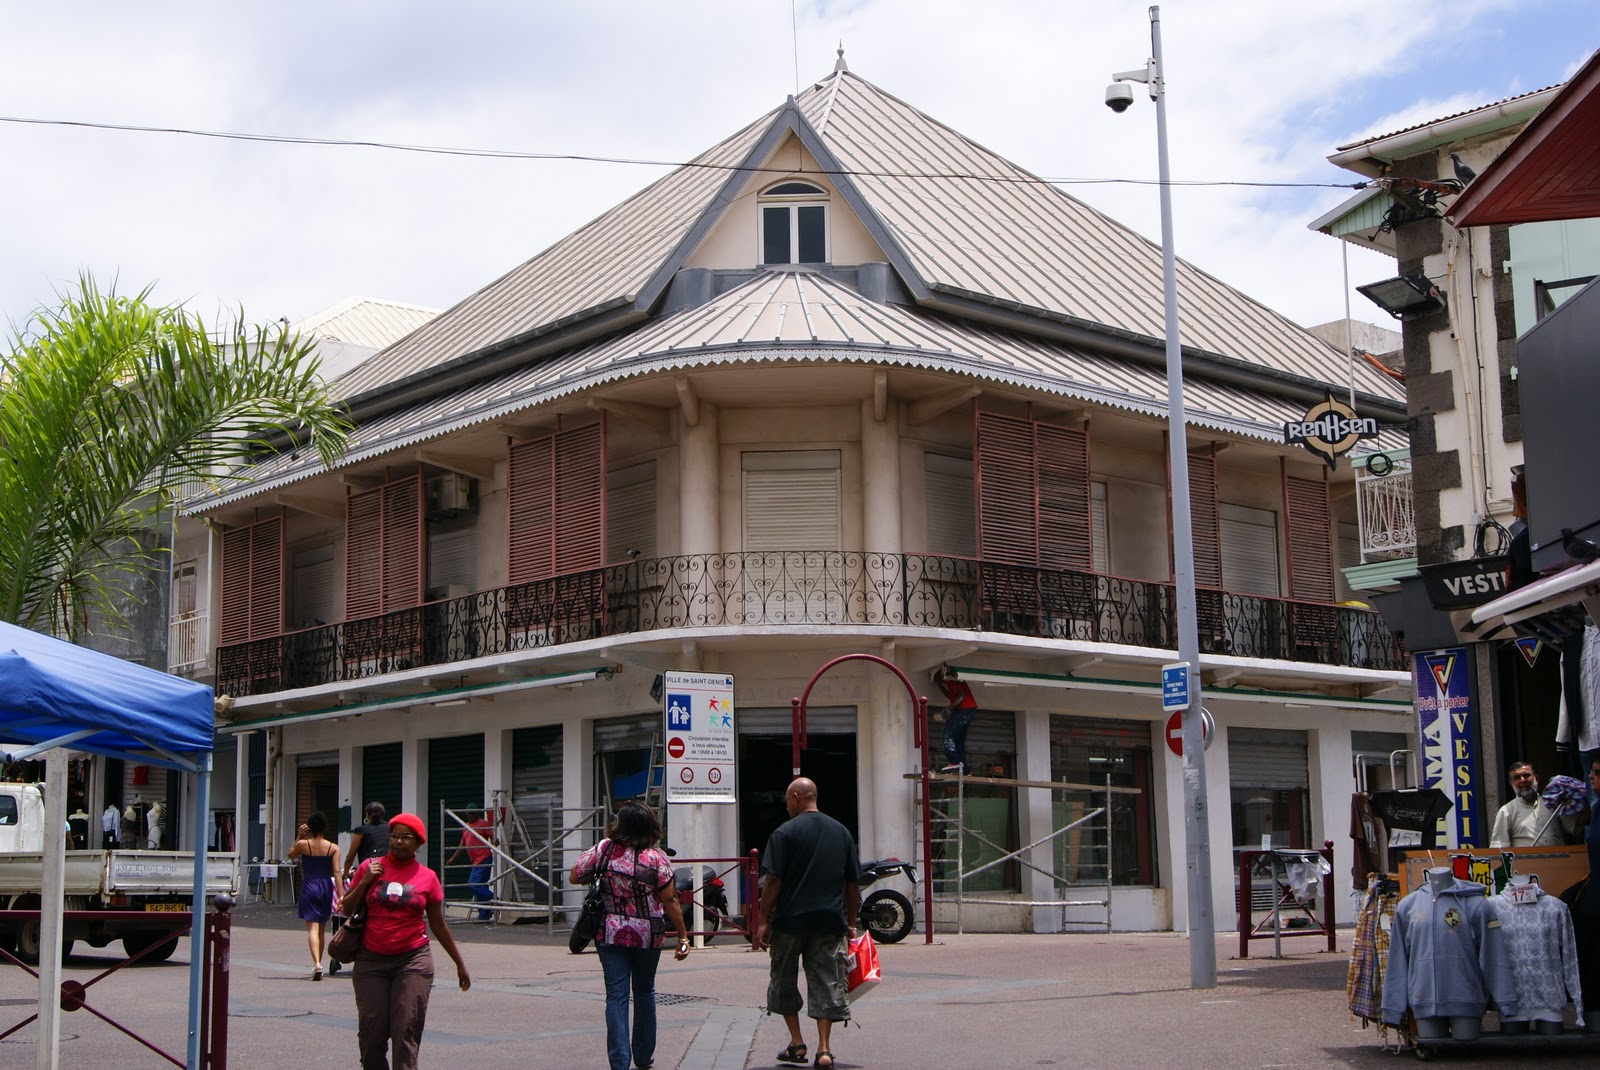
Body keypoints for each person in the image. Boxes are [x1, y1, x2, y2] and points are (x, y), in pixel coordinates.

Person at [340, 812, 470, 1070]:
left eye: (406, 837)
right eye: (395, 836)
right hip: (371, 960)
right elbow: (345, 909)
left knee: (406, 1031)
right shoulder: (369, 867)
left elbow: (438, 924)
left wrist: (459, 963)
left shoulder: (428, 877)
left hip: (412, 960)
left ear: (418, 843)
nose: (399, 842)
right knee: (371, 1033)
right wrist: (365, 881)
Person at [569, 800, 690, 1070]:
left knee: (616, 996)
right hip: (649, 935)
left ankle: (619, 1061)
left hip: (610, 933)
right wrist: (683, 937)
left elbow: (575, 876)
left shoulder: (605, 849)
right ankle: (644, 1056)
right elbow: (670, 900)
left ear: (619, 825)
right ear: (649, 825)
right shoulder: (656, 858)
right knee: (645, 991)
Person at [753, 777, 861, 1070]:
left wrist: (763, 921)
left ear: (798, 797)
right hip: (829, 922)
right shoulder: (841, 833)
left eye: (788, 799)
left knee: (784, 980)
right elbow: (852, 884)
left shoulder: (783, 833)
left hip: (789, 922)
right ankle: (824, 1049)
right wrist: (851, 923)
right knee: (827, 981)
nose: (786, 805)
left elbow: (773, 881)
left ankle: (797, 1042)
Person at [288, 810, 342, 981]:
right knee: (321, 928)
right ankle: (320, 964)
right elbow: (336, 872)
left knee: (312, 927)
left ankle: (317, 963)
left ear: (309, 827)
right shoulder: (333, 847)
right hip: (326, 886)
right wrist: (341, 896)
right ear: (325, 827)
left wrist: (298, 836)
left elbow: (290, 855)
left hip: (309, 886)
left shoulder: (303, 844)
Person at [1490, 762, 1573, 847]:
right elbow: (1499, 848)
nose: (1522, 780)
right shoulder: (1506, 811)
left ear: (1536, 778)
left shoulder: (1553, 803)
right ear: (1512, 784)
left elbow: (1574, 828)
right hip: (1526, 860)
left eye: (1526, 775)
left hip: (1558, 859)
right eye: (1517, 778)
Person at [446, 809, 495, 922]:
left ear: (477, 814)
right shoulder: (466, 826)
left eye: (473, 813)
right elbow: (462, 844)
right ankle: (484, 914)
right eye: (469, 814)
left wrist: (495, 841)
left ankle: (494, 898)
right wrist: (452, 859)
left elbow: (492, 837)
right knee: (481, 886)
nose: (471, 815)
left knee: (474, 884)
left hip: (484, 858)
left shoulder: (483, 824)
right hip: (475, 860)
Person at [343, 802, 390, 884]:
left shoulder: (361, 830)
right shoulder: (390, 827)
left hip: (368, 870)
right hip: (387, 869)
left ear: (367, 815)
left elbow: (350, 856)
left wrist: (345, 873)